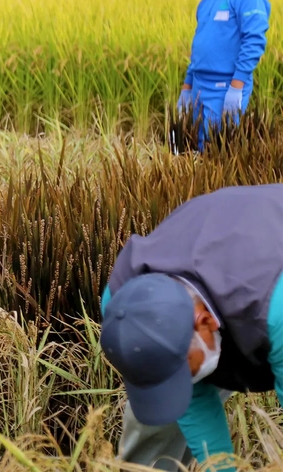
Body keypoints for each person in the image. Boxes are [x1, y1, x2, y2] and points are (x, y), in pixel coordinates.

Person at [100, 184, 283, 471]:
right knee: (159, 416)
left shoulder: (274, 311)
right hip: (226, 243)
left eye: (180, 368)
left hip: (266, 272)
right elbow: (190, 400)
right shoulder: (122, 309)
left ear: (205, 322)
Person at [178, 0, 271, 148]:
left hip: (225, 85)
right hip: (200, 84)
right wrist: (187, 87)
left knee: (217, 148)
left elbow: (254, 41)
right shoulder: (208, 0)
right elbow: (199, 45)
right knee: (193, 147)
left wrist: (236, 87)